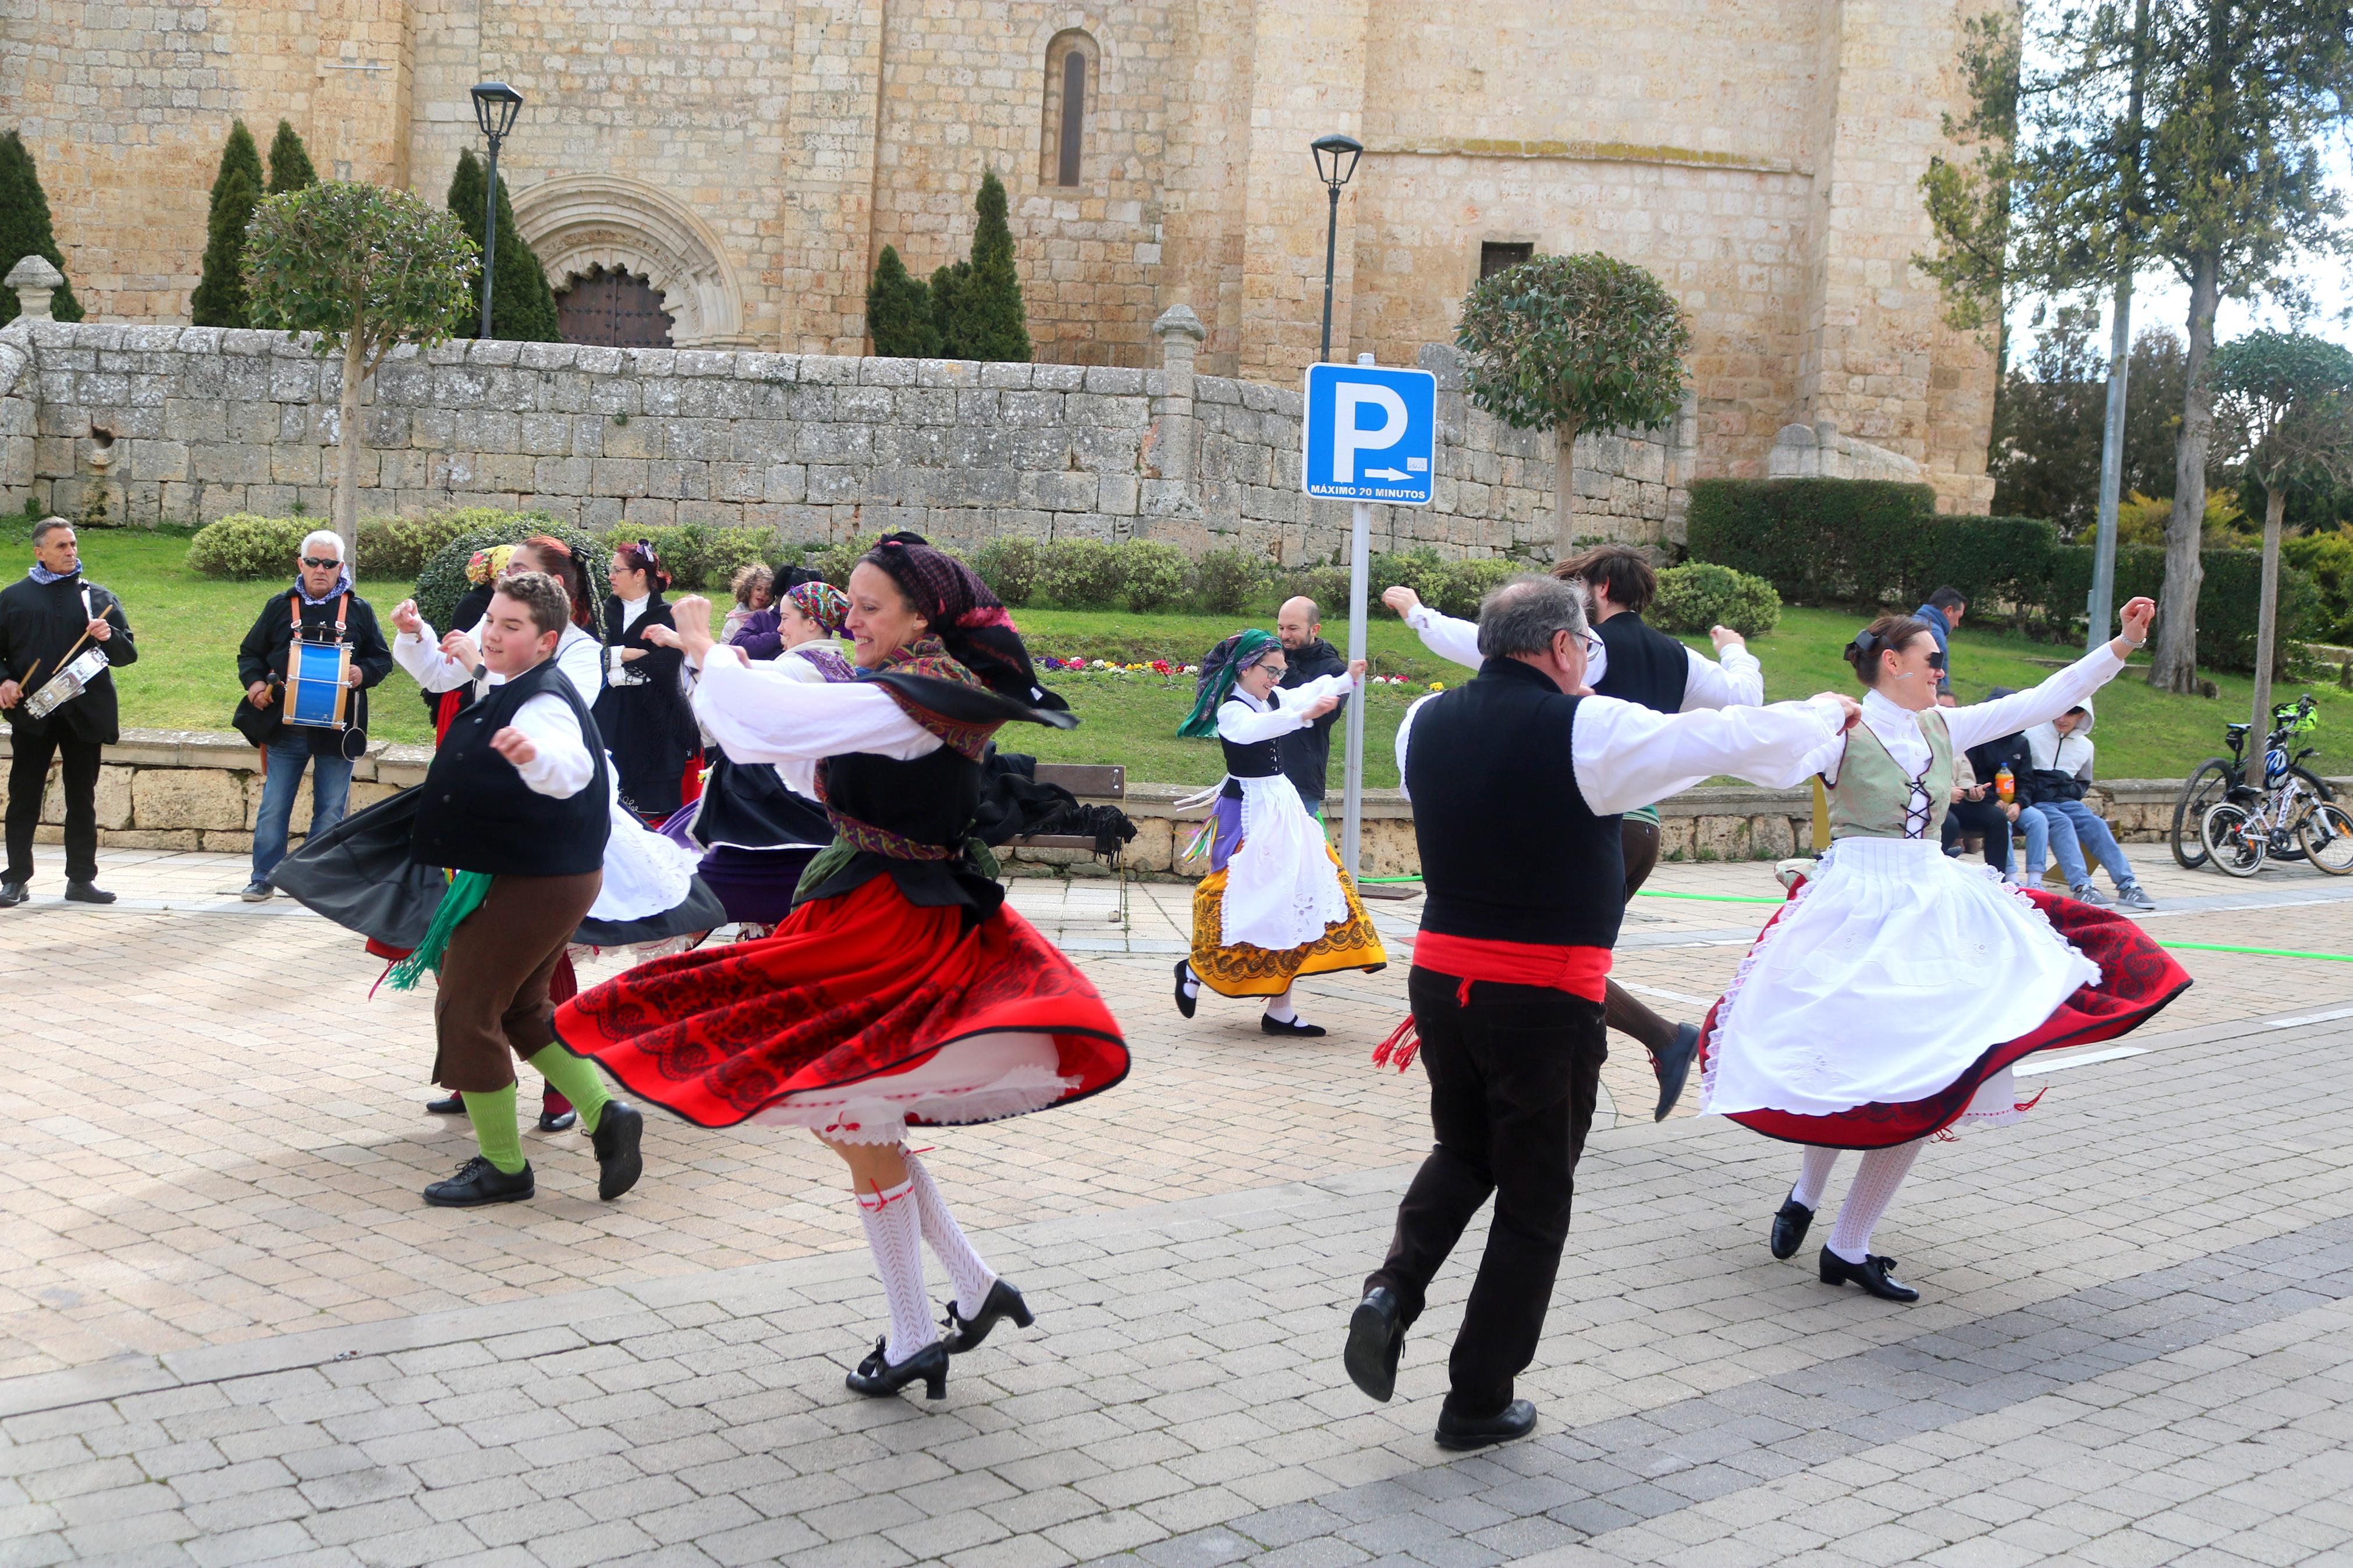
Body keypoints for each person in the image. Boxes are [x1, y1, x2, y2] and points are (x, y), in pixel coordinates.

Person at [553, 533, 1126, 1403]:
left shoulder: (913, 698)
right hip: (867, 904)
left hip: (887, 924)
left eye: (866, 607)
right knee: (857, 1120)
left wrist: (709, 651)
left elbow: (770, 726)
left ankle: (914, 1331)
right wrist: (739, 683)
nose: (849, 620)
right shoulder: (909, 687)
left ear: (920, 616)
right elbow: (777, 752)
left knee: (852, 1117)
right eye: (848, 603)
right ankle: (967, 1289)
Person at [1347, 575, 1862, 1451]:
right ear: (1557, 647)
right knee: (1534, 1197)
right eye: (1585, 647)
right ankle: (1476, 1397)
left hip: (1438, 979)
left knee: (1463, 1147)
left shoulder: (1420, 721)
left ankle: (1391, 1289)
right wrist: (1823, 711)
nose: (1590, 661)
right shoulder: (1585, 727)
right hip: (1540, 997)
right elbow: (1727, 736)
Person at [1699, 599, 2188, 1305]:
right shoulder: (1841, 726)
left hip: (1931, 901)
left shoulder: (1940, 723)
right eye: (1933, 659)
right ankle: (1806, 1194)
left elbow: (2038, 700)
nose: (1942, 669)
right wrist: (1787, 703)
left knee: (1929, 1070)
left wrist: (2119, 646)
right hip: (1857, 903)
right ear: (1891, 663)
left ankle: (1848, 1244)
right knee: (1845, 1060)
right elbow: (1763, 761)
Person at [1385, 542, 1765, 1119]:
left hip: (1588, 822)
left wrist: (1418, 614)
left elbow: (1493, 646)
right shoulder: (1677, 656)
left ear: (1602, 592)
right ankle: (1599, 1053)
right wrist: (1736, 651)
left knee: (1549, 955)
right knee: (1564, 958)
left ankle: (1640, 1044)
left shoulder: (1586, 647)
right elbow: (1743, 698)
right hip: (1642, 828)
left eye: (1582, 592)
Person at [382, 536, 718, 1129]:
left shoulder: (573, 657)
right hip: (495, 824)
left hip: (547, 833)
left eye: (518, 576)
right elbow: (440, 679)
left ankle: (539, 1115)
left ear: (552, 599)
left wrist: (509, 714)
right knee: (494, 989)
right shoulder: (503, 644)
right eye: (494, 607)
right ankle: (497, 1082)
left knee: (513, 982)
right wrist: (419, 637)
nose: (501, 587)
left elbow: (567, 740)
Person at [396, 570, 648, 1208]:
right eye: (492, 622)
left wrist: (534, 758)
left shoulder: (544, 702)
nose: (496, 634)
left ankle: (504, 1168)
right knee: (517, 1011)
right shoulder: (513, 684)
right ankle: (605, 1112)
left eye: (512, 626)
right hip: (546, 872)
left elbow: (571, 765)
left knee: (466, 1008)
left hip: (542, 877)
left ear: (546, 640)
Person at [1172, 630, 1383, 1037]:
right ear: (1245, 667)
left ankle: (1280, 1009)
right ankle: (1195, 967)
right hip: (1247, 810)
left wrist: (1344, 680)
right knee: (1228, 896)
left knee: (1298, 895)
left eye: (1280, 671)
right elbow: (1257, 729)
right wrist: (1302, 716)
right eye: (1271, 670)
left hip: (1281, 805)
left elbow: (1302, 695)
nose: (1277, 679)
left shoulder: (1272, 697)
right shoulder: (1233, 711)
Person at [653, 578, 856, 929]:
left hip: (787, 805)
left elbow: (740, 675)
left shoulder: (804, 667)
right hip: (804, 800)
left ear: (812, 623)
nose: (779, 626)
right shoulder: (831, 661)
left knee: (685, 869)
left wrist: (690, 639)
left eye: (786, 618)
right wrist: (683, 641)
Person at [234, 530, 392, 901]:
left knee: (330, 808)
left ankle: (313, 882)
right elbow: (249, 654)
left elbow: (381, 658)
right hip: (284, 726)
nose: (321, 570)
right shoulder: (278, 606)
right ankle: (263, 877)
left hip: (338, 728)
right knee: (275, 805)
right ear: (300, 564)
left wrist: (362, 673)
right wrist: (255, 683)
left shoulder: (359, 610)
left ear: (341, 567)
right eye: (313, 562)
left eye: (330, 563)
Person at [1, 517, 137, 908]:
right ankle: (15, 879)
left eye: (73, 544)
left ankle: (81, 879)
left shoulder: (98, 598)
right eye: (60, 546)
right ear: (39, 552)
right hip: (34, 714)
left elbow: (128, 655)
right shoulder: (13, 598)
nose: (70, 552)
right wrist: (5, 681)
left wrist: (109, 636)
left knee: (83, 798)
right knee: (23, 797)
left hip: (85, 713)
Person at [594, 540, 700, 822]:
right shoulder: (603, 612)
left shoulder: (666, 615)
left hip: (655, 719)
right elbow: (588, 655)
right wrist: (625, 654)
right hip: (610, 713)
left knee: (649, 806)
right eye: (611, 570)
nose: (611, 576)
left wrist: (611, 663)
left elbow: (665, 666)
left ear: (639, 575)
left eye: (617, 570)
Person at [2021, 701, 2154, 910]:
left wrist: (2067, 788)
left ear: (2082, 716)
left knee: (2096, 825)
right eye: (2059, 711)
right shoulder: (2031, 735)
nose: (2062, 719)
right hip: (2037, 801)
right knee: (2061, 823)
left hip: (2067, 801)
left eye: (2071, 714)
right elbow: (2020, 772)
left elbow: (2083, 782)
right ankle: (2082, 886)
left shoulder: (2085, 746)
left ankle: (2129, 885)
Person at [1274, 596, 1347, 819]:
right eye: (1281, 627)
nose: (1285, 636)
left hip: (1301, 780)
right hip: (1259, 774)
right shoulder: (1270, 657)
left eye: (1293, 628)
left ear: (1314, 629)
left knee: (1297, 853)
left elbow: (1328, 714)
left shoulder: (1333, 669)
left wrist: (1287, 670)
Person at [1912, 585, 1965, 699]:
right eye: (1958, 617)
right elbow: (1936, 676)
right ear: (1949, 611)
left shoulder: (1909, 624)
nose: (1957, 624)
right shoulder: (1934, 634)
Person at [722, 563, 773, 642]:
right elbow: (725, 646)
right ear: (748, 589)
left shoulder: (772, 617)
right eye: (759, 589)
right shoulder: (735, 619)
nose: (763, 594)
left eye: (767, 592)